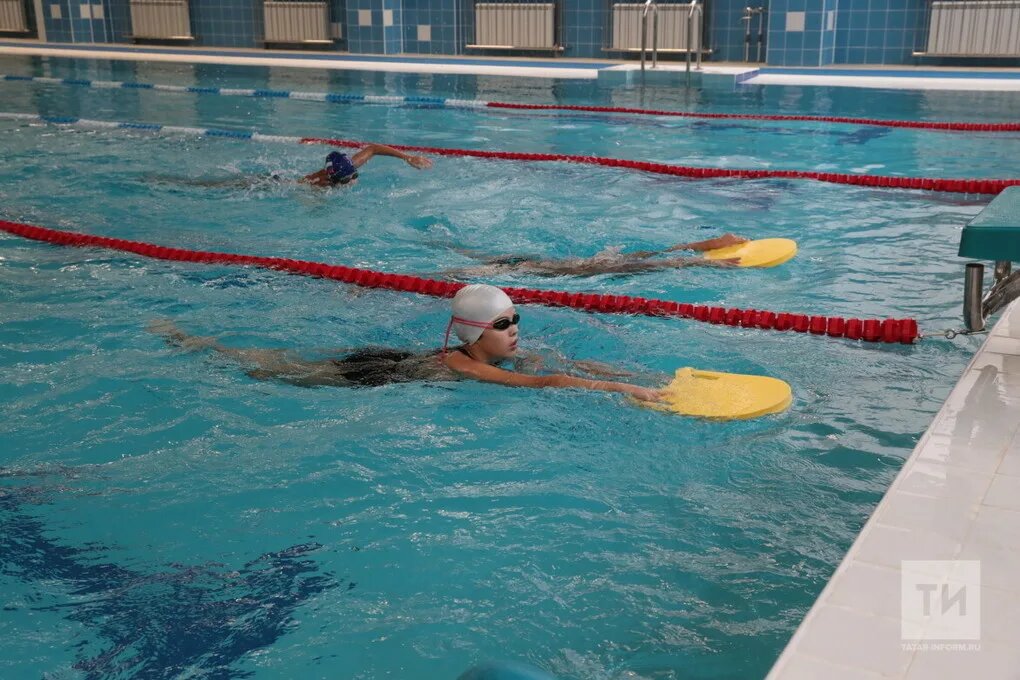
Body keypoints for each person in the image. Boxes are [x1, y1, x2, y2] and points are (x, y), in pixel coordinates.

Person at [148, 284, 665, 402]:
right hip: (375, 373)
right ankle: (198, 344)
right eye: (503, 323)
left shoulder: (487, 351)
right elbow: (547, 381)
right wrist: (623, 392)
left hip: (402, 359)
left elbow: (559, 362)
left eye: (516, 319)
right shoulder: (469, 367)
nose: (514, 330)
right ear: (474, 334)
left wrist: (636, 377)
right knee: (278, 370)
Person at [438, 233, 748, 278]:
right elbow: (656, 262)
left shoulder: (596, 266)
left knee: (472, 259)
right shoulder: (595, 269)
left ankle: (705, 244)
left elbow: (654, 260)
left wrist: (698, 257)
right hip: (528, 267)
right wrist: (699, 261)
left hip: (530, 264)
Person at [301, 146, 433, 188]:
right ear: (333, 179)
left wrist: (408, 157)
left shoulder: (349, 165)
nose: (353, 181)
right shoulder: (320, 183)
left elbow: (373, 149)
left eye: (355, 175)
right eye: (346, 180)